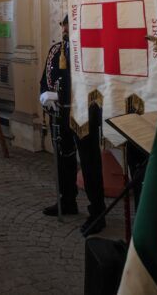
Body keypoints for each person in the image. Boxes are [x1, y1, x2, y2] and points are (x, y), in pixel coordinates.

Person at [40, 15, 107, 235]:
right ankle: (67, 200)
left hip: (84, 114)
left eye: (68, 24)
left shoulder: (91, 51)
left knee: (89, 162)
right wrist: (46, 96)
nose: (64, 28)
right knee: (63, 158)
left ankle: (97, 211)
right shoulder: (56, 50)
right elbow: (47, 77)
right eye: (63, 24)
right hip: (60, 112)